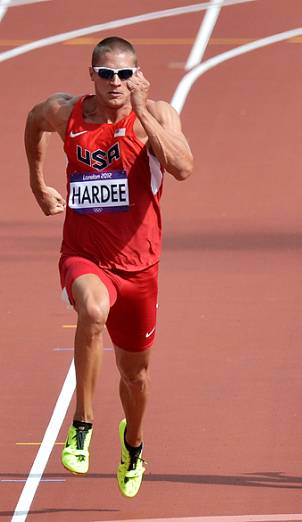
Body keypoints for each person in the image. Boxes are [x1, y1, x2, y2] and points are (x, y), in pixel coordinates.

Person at [25, 36, 194, 497]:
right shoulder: (68, 113)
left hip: (140, 268)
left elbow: (182, 167)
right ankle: (82, 423)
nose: (115, 83)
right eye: (106, 74)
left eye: (125, 74)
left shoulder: (156, 114)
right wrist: (39, 186)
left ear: (137, 75)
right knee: (92, 311)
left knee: (135, 377)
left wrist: (141, 111)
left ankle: (133, 443)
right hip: (84, 255)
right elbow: (34, 120)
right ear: (92, 75)